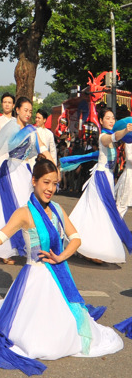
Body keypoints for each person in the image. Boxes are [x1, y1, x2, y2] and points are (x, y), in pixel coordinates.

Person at [0, 158, 122, 374]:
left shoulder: (57, 208)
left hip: (58, 276)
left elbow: (75, 238)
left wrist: (61, 256)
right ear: (34, 181)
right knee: (34, 338)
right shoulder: (23, 213)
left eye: (55, 183)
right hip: (34, 278)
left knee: (71, 331)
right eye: (46, 182)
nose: (51, 189)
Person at [0, 97, 51, 264]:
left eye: (30, 111)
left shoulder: (32, 130)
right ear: (17, 110)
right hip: (10, 170)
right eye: (25, 110)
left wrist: (54, 166)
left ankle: (24, 244)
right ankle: (5, 248)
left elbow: (43, 148)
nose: (28, 114)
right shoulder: (10, 127)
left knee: (26, 207)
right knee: (4, 207)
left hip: (24, 172)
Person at [68, 109, 132, 263]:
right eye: (107, 118)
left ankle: (88, 247)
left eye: (113, 118)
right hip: (101, 177)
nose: (111, 120)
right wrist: (125, 130)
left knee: (97, 213)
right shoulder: (104, 136)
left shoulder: (114, 138)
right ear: (101, 120)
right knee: (99, 213)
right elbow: (113, 137)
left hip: (108, 177)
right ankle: (91, 250)